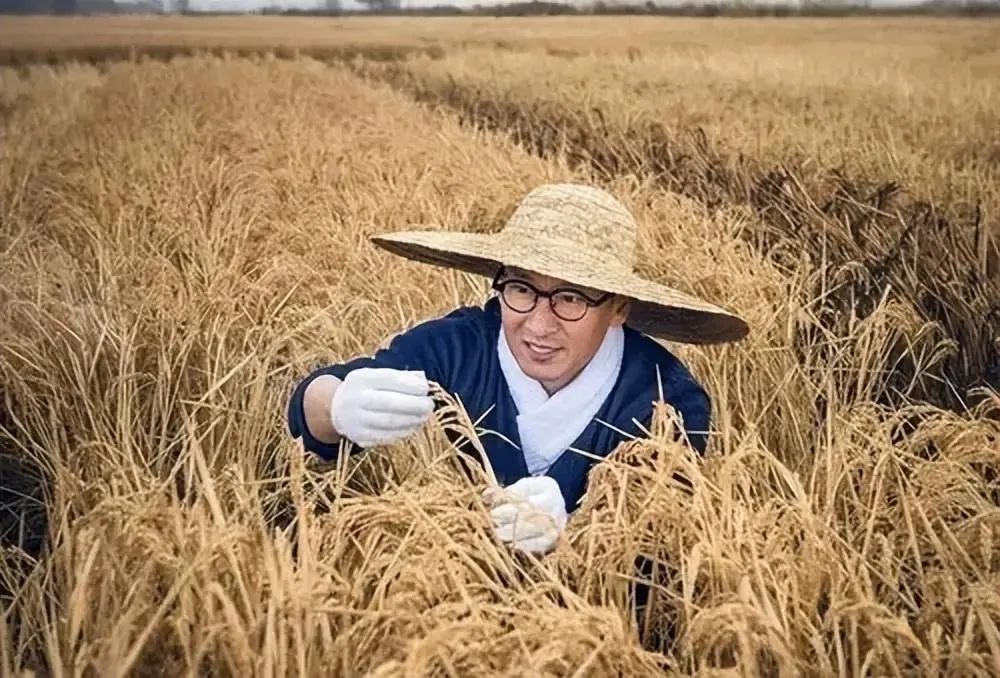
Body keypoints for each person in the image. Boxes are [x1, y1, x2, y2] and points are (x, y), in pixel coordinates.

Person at [287, 183, 748, 555]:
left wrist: (576, 527)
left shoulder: (665, 401)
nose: (539, 324)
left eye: (571, 298)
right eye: (522, 289)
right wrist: (336, 406)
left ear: (619, 308)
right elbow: (310, 407)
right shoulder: (457, 349)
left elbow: (656, 547)